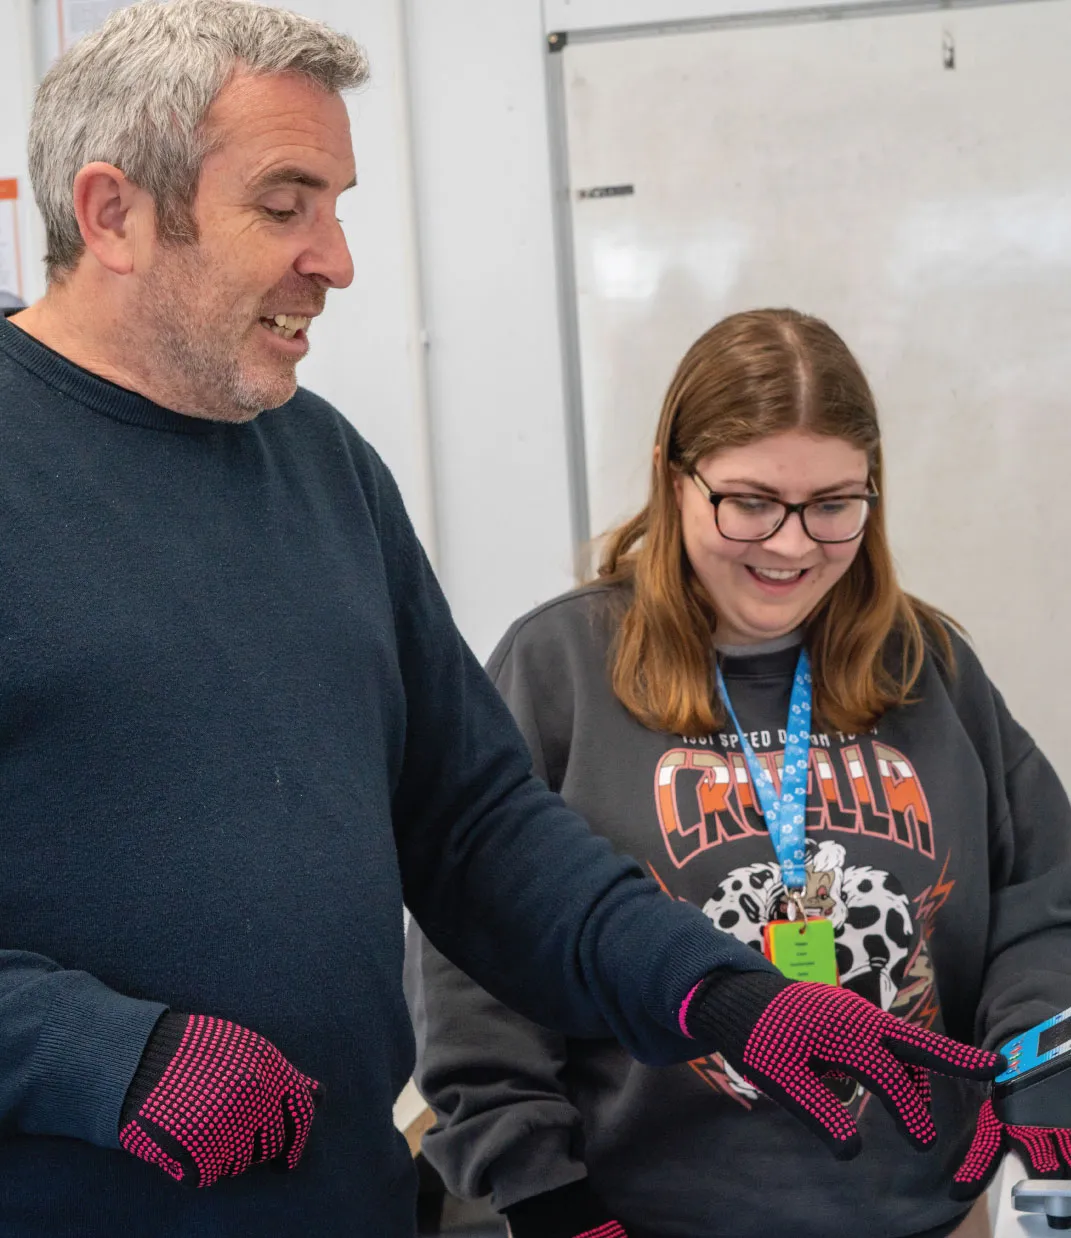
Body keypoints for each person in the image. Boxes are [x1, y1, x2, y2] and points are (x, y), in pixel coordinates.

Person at [0, 8, 1002, 1235]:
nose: (338, 257)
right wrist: (101, 1054)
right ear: (112, 213)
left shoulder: (323, 468)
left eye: (339, 202)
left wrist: (721, 994)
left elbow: (473, 827)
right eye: (285, 203)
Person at [405, 309, 1071, 1238]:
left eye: (834, 504)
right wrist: (546, 1195)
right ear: (673, 479)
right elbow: (474, 955)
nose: (793, 546)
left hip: (929, 1215)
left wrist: (1043, 1064)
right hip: (644, 1219)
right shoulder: (559, 666)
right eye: (750, 502)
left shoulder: (926, 665)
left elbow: (1042, 899)